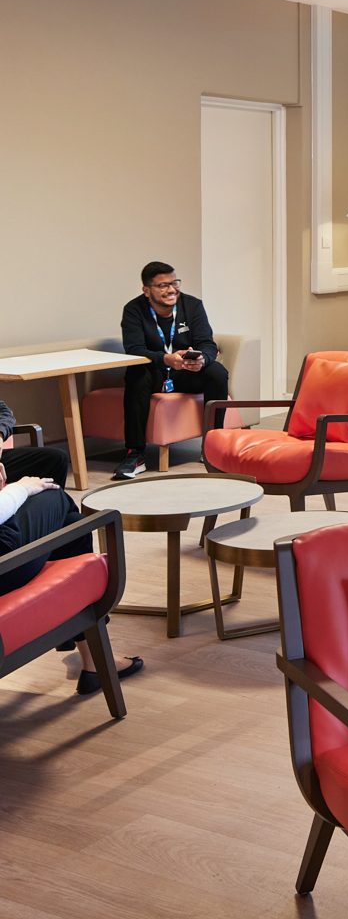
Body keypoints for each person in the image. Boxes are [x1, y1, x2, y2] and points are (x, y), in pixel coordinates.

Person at [1, 400, 145, 695]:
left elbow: (3, 410)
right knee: (61, 506)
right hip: (6, 563)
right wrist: (20, 489)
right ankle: (89, 646)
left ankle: (89, 653)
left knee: (63, 501)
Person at [114, 261, 229, 480]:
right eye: (163, 285)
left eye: (175, 283)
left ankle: (213, 443)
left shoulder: (192, 305)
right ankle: (135, 454)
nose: (171, 290)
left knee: (217, 372)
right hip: (155, 372)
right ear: (147, 290)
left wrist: (202, 360)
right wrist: (165, 358)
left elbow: (207, 343)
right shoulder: (133, 310)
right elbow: (134, 349)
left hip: (185, 372)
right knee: (136, 372)